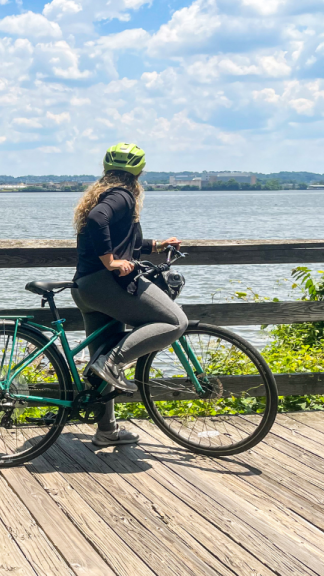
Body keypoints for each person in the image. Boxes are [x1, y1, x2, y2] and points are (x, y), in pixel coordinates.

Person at [70, 143, 187, 448]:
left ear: (107, 169)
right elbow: (98, 220)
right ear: (139, 172)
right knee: (175, 322)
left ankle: (106, 430)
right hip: (106, 285)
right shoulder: (123, 195)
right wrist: (110, 261)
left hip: (87, 287)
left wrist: (157, 245)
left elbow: (125, 242)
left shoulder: (105, 193)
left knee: (100, 355)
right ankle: (113, 362)